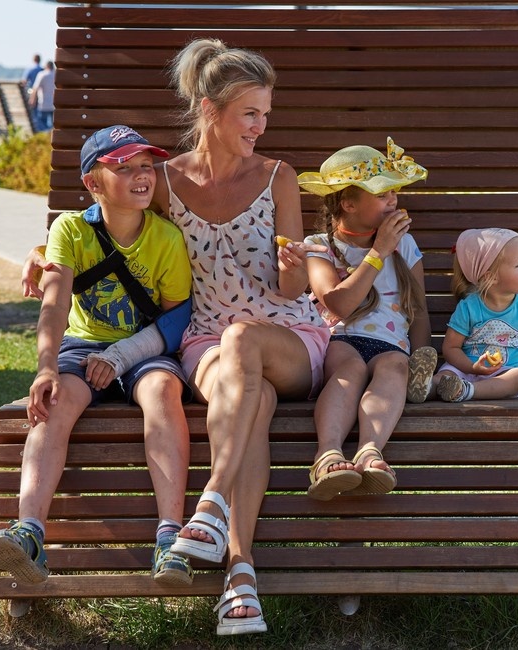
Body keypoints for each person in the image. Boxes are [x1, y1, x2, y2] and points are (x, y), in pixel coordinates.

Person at [21, 38, 330, 636]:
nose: (261, 127)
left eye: (266, 114)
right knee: (251, 399)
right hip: (205, 344)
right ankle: (240, 573)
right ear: (210, 111)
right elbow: (103, 221)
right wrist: (41, 252)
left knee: (245, 341)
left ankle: (210, 501)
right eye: (250, 113)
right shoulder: (162, 180)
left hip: (287, 335)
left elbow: (295, 289)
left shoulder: (280, 178)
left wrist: (294, 271)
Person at [0, 125, 196, 589]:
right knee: (54, 403)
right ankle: (30, 533)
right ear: (93, 184)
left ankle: (170, 539)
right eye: (124, 168)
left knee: (163, 389)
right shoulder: (70, 229)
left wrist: (125, 354)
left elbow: (177, 320)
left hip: (143, 350)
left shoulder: (166, 238)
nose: (142, 176)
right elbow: (55, 302)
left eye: (146, 167)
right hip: (82, 347)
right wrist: (45, 367)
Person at [297, 138, 437, 501]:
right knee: (351, 372)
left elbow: (418, 309)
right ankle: (327, 454)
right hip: (340, 341)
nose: (394, 200)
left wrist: (423, 360)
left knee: (395, 368)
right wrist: (378, 253)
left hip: (392, 344)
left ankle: (370, 451)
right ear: (348, 202)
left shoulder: (405, 245)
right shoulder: (318, 246)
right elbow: (338, 305)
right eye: (382, 193)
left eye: (394, 192)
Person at [426, 228, 518, 402]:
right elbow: (450, 348)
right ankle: (424, 388)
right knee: (442, 377)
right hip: (464, 369)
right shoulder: (469, 306)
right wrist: (473, 368)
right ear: (492, 277)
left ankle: (466, 391)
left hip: (502, 374)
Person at [29, 61, 55, 132]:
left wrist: (32, 100)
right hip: (54, 104)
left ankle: (46, 136)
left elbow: (35, 88)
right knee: (53, 124)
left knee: (42, 124)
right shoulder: (56, 74)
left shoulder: (42, 74)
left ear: (46, 66)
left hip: (43, 103)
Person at [21, 54, 43, 129]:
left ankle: (35, 127)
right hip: (40, 93)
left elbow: (24, 81)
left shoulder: (29, 69)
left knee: (33, 111)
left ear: (33, 60)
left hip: (31, 92)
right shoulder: (42, 69)